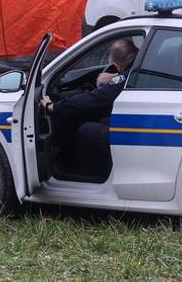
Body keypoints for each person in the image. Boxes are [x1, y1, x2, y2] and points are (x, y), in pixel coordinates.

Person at [40, 37, 138, 178]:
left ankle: (93, 176)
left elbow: (94, 99)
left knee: (86, 131)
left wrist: (54, 106)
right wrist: (116, 76)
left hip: (134, 129)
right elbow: (126, 77)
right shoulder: (138, 69)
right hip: (140, 123)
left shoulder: (123, 78)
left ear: (117, 65)